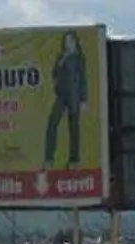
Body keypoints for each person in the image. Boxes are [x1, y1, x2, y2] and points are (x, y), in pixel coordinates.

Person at [42, 30, 88, 168]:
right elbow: (54, 73)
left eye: (69, 40)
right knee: (52, 123)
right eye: (65, 40)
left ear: (74, 41)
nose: (66, 43)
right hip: (61, 95)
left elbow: (83, 78)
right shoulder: (61, 56)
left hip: (74, 95)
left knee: (73, 127)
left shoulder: (79, 57)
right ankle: (49, 158)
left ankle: (74, 159)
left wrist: (84, 99)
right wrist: (56, 85)